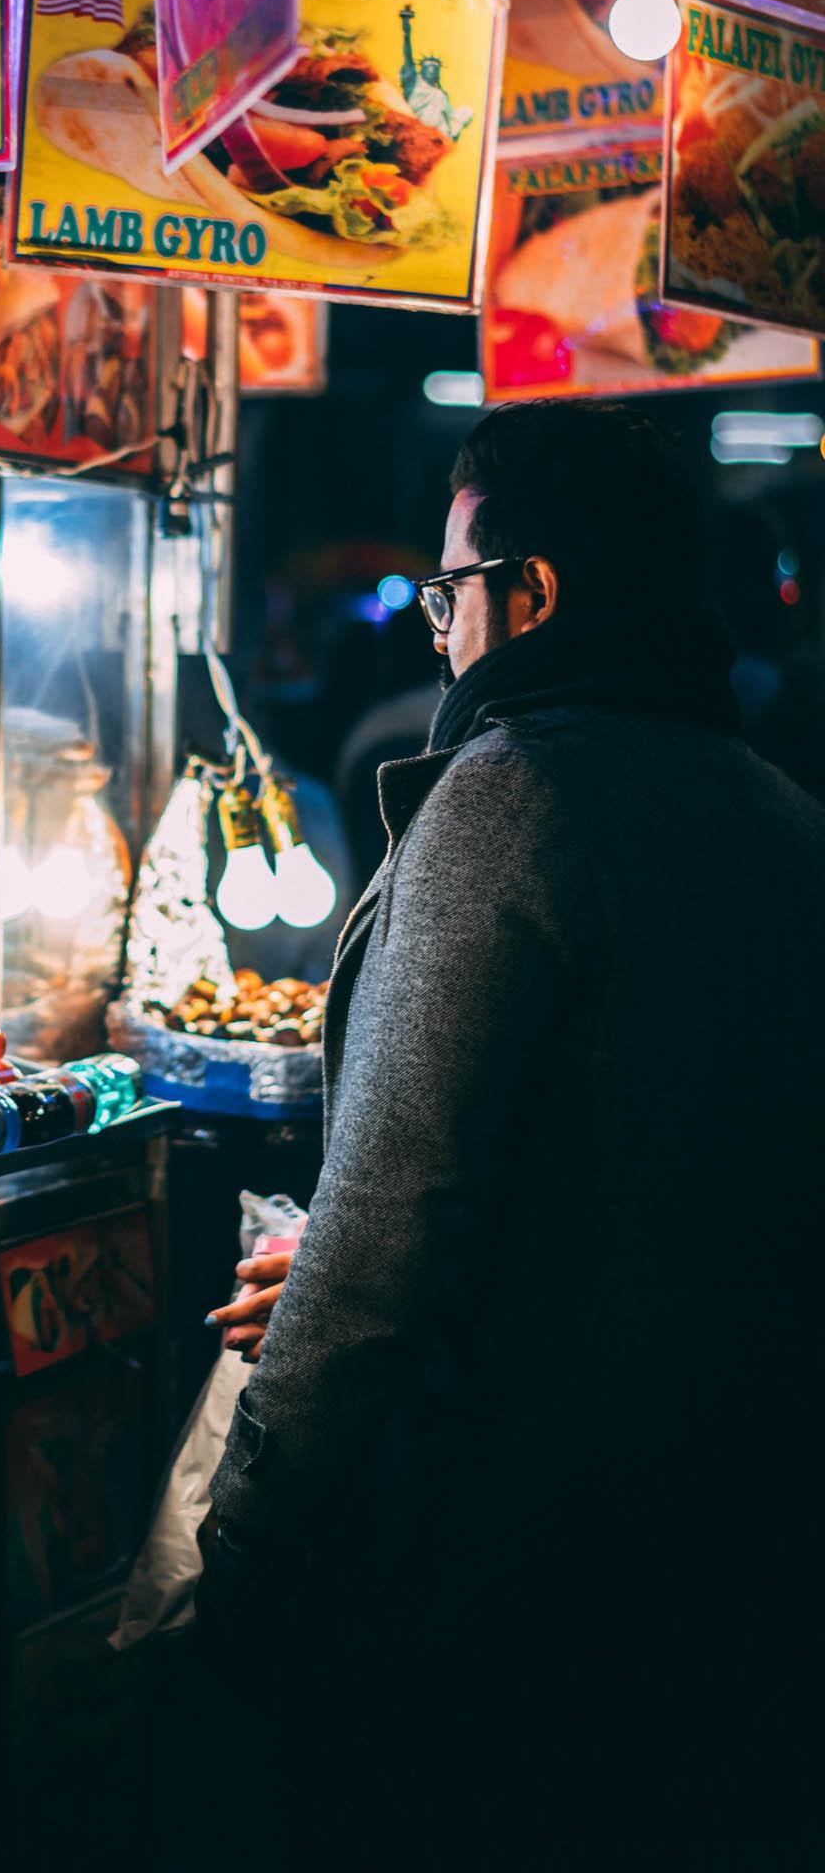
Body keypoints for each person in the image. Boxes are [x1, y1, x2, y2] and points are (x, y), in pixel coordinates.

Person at [195, 401, 825, 1863]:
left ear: (530, 594)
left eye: (449, 592)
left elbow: (389, 1226)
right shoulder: (787, 821)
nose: (436, 632)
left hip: (517, 1539)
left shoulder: (506, 801)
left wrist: (252, 1518)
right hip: (739, 1524)